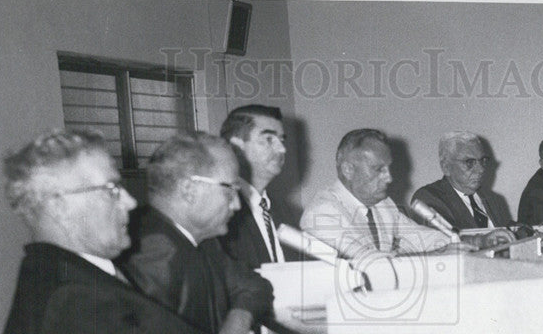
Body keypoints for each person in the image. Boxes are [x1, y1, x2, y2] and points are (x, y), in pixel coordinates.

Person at [0, 128, 340, 334]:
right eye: (112, 189)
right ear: (59, 206)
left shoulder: (71, 279)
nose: (132, 202)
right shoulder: (75, 300)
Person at [118, 131, 271, 334]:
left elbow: (254, 285)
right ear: (189, 190)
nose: (237, 205)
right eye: (230, 191)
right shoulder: (151, 253)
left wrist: (239, 316)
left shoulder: (203, 241)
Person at [300, 128, 450, 260]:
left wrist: (462, 243)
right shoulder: (321, 214)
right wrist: (441, 252)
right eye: (379, 169)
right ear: (348, 170)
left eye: (388, 168)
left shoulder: (383, 205)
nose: (389, 178)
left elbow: (422, 238)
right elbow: (372, 263)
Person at [220, 104, 300, 269]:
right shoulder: (222, 214)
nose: (282, 149)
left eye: (282, 139)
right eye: (269, 139)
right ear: (236, 146)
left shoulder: (285, 212)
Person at [411, 131, 513, 231]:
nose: (481, 169)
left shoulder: (494, 200)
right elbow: (443, 242)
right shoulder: (428, 198)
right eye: (469, 162)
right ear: (446, 167)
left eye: (483, 160)